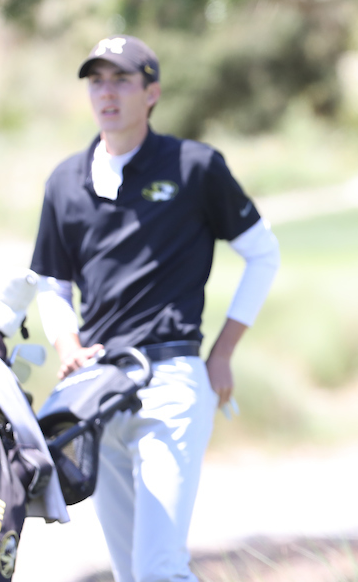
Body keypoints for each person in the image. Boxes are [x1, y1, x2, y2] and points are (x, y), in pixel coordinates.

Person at [29, 35, 280, 582]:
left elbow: (263, 254)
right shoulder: (65, 182)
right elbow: (51, 282)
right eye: (97, 81)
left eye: (121, 80)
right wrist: (67, 344)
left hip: (172, 381)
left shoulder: (195, 167)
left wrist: (223, 353)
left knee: (158, 569)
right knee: (130, 573)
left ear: (152, 93)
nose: (107, 93)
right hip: (96, 391)